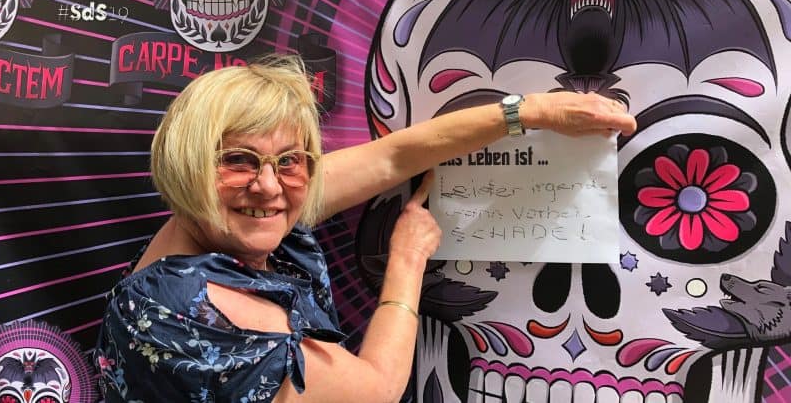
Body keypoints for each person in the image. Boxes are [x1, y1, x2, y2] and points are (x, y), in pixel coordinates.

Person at [94, 54, 636, 402]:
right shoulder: (206, 312)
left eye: (290, 160)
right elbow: (374, 392)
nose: (268, 186)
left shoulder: (207, 220)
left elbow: (391, 157)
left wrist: (533, 112)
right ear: (188, 165)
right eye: (238, 159)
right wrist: (408, 259)